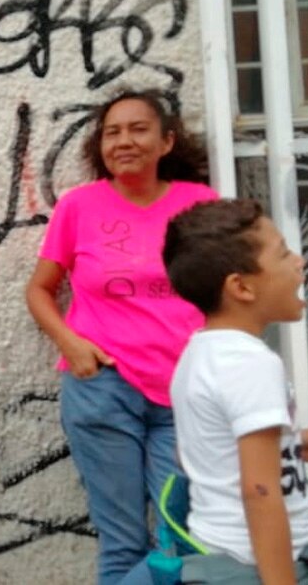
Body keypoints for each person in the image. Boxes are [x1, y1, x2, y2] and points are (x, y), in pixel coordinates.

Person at [24, 89, 218, 584]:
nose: (123, 141)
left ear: (166, 141)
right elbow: (40, 290)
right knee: (123, 542)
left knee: (183, 536)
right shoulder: (79, 207)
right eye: (112, 132)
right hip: (103, 391)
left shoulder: (199, 205)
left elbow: (228, 290)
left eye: (138, 129)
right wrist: (72, 344)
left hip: (183, 395)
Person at [163, 198, 308, 583]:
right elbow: (260, 492)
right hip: (267, 566)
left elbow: (204, 455)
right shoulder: (251, 363)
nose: (301, 262)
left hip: (218, 556)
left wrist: (295, 444)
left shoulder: (199, 354)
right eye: (283, 254)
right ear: (241, 287)